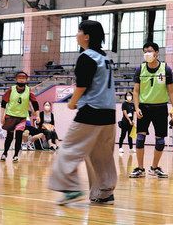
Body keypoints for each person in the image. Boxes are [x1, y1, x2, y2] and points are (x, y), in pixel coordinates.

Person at [49, 20, 117, 205]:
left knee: (68, 150)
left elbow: (82, 85)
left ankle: (69, 189)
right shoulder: (105, 58)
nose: (76, 34)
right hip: (109, 113)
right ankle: (104, 193)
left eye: (79, 31)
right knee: (101, 155)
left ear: (86, 36)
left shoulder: (86, 56)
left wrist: (72, 103)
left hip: (90, 111)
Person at [129, 42, 173, 179]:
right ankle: (140, 168)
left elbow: (172, 91)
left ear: (156, 53)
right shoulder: (140, 69)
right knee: (139, 139)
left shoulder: (165, 69)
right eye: (145, 51)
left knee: (160, 141)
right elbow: (136, 91)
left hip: (160, 107)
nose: (147, 54)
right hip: (144, 107)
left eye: (149, 51)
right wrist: (137, 107)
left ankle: (155, 168)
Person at [0, 71, 39, 162]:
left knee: (19, 135)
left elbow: (35, 103)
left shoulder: (29, 91)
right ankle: (5, 153)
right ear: (16, 79)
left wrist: (37, 115)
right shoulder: (11, 89)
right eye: (19, 78)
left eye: (23, 78)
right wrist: (2, 116)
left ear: (26, 80)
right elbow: (3, 103)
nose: (21, 80)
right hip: (10, 116)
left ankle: (16, 155)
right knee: (9, 136)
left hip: (22, 118)